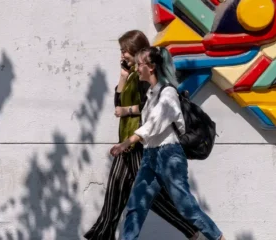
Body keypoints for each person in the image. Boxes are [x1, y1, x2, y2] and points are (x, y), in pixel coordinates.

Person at [84, 30, 204, 240]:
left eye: (125, 51)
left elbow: (148, 107)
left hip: (140, 144)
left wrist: (127, 111)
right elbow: (117, 105)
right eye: (121, 51)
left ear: (135, 50)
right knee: (115, 196)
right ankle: (102, 235)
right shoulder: (131, 76)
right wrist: (122, 77)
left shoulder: (145, 77)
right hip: (127, 145)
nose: (122, 55)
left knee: (152, 196)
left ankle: (193, 230)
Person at [110, 46, 226, 240]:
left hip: (169, 156)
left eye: (140, 65)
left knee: (186, 207)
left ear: (152, 67)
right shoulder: (151, 96)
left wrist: (125, 143)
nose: (137, 68)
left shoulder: (168, 93)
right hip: (150, 157)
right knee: (135, 205)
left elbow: (153, 124)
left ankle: (219, 238)